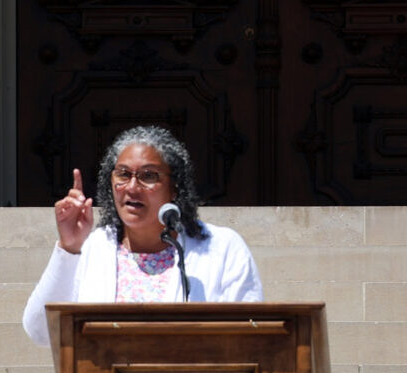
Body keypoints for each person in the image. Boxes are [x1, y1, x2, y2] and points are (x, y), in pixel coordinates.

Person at [21, 124, 263, 346]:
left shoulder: (222, 248)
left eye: (148, 176)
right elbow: (40, 331)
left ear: (175, 186)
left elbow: (249, 337)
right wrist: (70, 247)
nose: (132, 187)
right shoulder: (93, 247)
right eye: (123, 174)